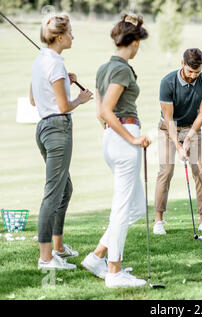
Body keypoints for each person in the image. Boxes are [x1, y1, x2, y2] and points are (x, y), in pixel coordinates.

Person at [81, 13, 151, 289]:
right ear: (132, 42)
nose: (138, 49)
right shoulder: (121, 69)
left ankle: (98, 257)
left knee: (135, 207)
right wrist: (132, 140)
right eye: (138, 44)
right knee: (123, 208)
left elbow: (101, 113)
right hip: (124, 137)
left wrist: (115, 133)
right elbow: (107, 110)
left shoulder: (103, 68)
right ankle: (114, 272)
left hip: (112, 139)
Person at [31, 13, 93, 270]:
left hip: (44, 128)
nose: (72, 36)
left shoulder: (40, 61)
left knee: (64, 189)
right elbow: (64, 105)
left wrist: (63, 80)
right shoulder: (54, 63)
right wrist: (82, 98)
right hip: (57, 128)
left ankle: (57, 247)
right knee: (53, 192)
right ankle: (46, 258)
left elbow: (35, 99)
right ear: (59, 37)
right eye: (69, 33)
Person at [153, 48, 202, 236]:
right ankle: (158, 221)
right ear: (182, 64)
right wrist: (179, 147)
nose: (194, 76)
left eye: (197, 72)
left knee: (201, 171)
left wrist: (188, 138)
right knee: (166, 171)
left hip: (192, 127)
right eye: (190, 71)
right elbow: (169, 119)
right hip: (167, 128)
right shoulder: (167, 82)